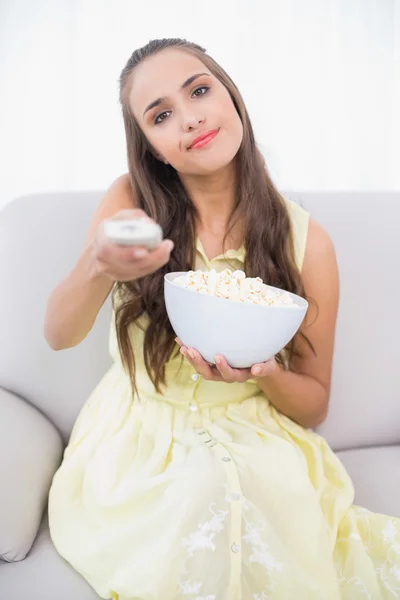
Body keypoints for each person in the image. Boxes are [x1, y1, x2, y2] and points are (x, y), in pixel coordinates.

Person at [45, 38, 400, 600]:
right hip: (142, 435)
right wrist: (97, 265)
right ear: (154, 147)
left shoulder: (307, 242)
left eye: (200, 91)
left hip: (255, 431)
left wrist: (264, 371)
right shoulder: (131, 204)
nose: (190, 119)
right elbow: (59, 335)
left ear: (232, 97)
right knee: (200, 493)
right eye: (161, 116)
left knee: (249, 503)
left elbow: (314, 404)